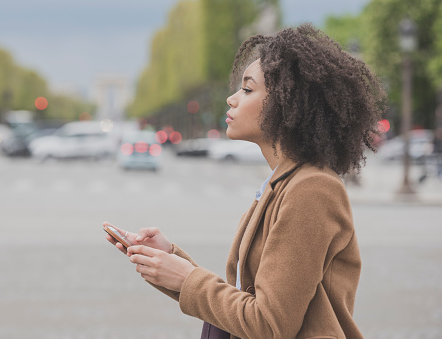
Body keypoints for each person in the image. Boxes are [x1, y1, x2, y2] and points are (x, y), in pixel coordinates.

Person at [104, 24, 386, 339]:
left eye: (248, 89)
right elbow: (246, 301)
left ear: (286, 103)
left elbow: (268, 325)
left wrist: (186, 279)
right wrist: (171, 261)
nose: (232, 98)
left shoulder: (312, 189)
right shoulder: (284, 181)